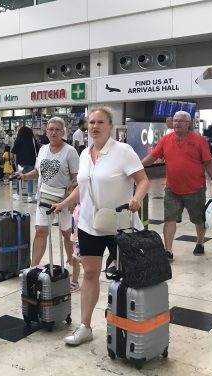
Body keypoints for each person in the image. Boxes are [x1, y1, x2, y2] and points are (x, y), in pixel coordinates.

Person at [51, 107, 150, 346]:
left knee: (126, 275)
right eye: (91, 122)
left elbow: (143, 180)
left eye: (100, 122)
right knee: (91, 273)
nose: (94, 126)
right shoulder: (85, 153)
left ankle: (130, 325)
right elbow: (83, 187)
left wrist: (137, 198)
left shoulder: (123, 151)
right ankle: (85, 326)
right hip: (88, 224)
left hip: (119, 224)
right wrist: (65, 202)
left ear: (110, 125)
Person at [142, 110, 212, 259]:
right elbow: (152, 157)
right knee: (169, 219)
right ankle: (168, 250)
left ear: (189, 124)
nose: (177, 123)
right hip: (172, 189)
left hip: (195, 189)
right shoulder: (166, 139)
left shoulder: (199, 140)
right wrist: (137, 166)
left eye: (181, 121)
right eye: (175, 120)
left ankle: (200, 242)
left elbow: (209, 163)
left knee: (199, 219)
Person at [17, 117, 80, 292]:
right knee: (40, 231)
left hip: (63, 199)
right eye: (50, 129)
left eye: (57, 130)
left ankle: (71, 264)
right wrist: (25, 176)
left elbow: (76, 178)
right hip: (44, 196)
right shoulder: (43, 149)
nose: (53, 132)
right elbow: (38, 171)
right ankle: (33, 266)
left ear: (63, 132)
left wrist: (70, 200)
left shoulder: (70, 152)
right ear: (46, 131)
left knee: (67, 234)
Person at [11, 127, 38, 202]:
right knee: (30, 178)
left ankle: (18, 194)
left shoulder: (18, 139)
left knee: (19, 178)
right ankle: (30, 196)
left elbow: (14, 150)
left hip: (20, 162)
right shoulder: (32, 140)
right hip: (30, 162)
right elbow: (37, 150)